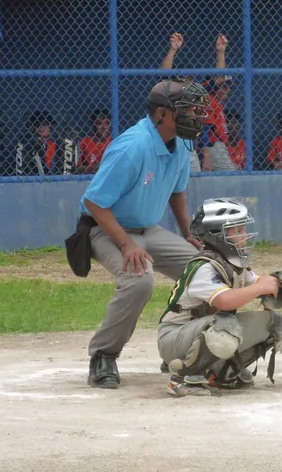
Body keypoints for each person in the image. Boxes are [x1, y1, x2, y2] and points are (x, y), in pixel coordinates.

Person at [78, 79, 209, 389]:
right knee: (139, 281)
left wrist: (187, 232)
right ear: (162, 113)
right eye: (187, 109)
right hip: (107, 229)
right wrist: (125, 245)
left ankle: (179, 348)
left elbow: (177, 191)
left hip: (149, 229)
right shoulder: (132, 146)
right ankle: (103, 356)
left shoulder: (182, 141)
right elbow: (94, 202)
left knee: (205, 270)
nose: (195, 115)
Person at [158, 198, 282, 397]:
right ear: (217, 235)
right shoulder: (203, 266)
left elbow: (262, 289)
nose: (244, 236)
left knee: (274, 324)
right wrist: (260, 287)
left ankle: (222, 373)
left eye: (242, 230)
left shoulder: (234, 265)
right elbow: (225, 301)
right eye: (237, 231)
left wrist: (277, 284)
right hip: (174, 337)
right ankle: (185, 376)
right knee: (225, 325)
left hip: (201, 331)